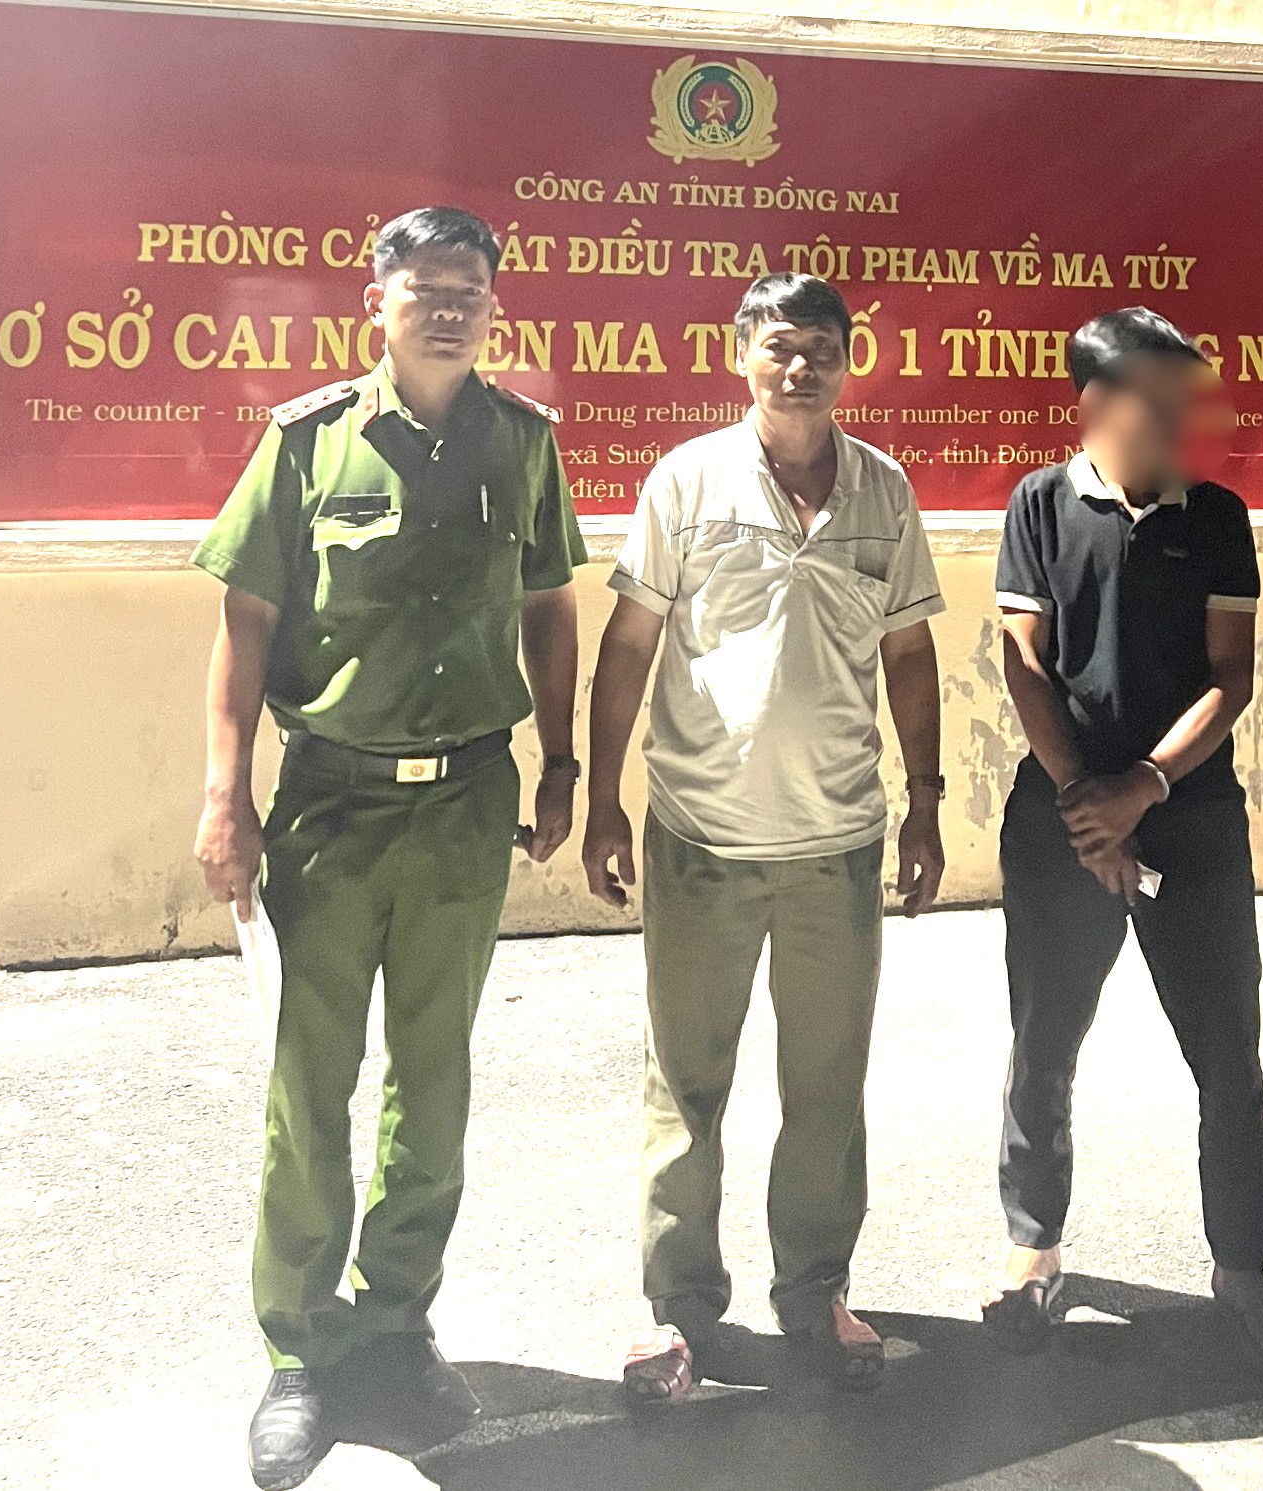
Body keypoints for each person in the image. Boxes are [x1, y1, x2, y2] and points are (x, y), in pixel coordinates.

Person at [191, 206, 587, 1488]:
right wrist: (225, 795)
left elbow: (549, 602)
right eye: (425, 288)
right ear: (379, 300)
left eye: (470, 289)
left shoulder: (524, 442)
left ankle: (397, 1318)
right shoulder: (306, 442)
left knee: (434, 1075)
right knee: (309, 1084)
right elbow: (246, 623)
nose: (449, 309)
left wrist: (564, 759)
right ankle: (300, 1352)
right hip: (330, 804)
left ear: (495, 306)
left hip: (466, 800)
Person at [581, 272, 946, 1401]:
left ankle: (814, 1292)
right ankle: (680, 1310)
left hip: (837, 842)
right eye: (781, 347)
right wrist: (603, 802)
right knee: (686, 1086)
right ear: (742, 354)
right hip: (702, 836)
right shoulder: (687, 481)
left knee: (827, 1086)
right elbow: (629, 644)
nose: (801, 368)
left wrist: (927, 802)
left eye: (822, 348)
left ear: (849, 361)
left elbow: (910, 654)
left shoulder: (884, 490)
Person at [986, 307, 1263, 1360]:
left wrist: (1145, 788)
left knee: (1228, 1051)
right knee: (1044, 1042)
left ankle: (1241, 1263)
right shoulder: (1038, 506)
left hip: (1190, 818)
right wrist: (1089, 801)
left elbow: (1231, 677)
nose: (1177, 419)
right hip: (1061, 820)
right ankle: (1034, 1247)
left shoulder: (1218, 516)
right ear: (1095, 404)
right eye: (1155, 400)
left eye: (1182, 399)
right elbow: (1026, 668)